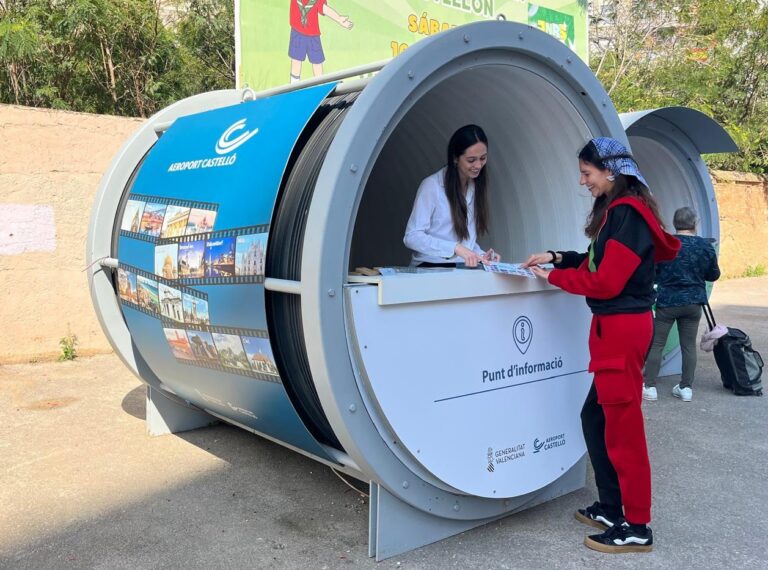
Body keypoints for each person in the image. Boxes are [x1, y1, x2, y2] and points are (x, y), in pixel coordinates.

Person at [521, 137, 680, 554]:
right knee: (595, 419)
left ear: (611, 170)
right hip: (616, 332)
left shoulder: (627, 216)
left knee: (623, 431)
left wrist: (551, 278)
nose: (582, 181)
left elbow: (606, 282)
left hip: (621, 332)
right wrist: (556, 257)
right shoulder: (620, 214)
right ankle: (612, 507)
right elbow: (596, 262)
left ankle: (637, 525)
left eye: (587, 173)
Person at [642, 206, 721, 402]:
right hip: (694, 303)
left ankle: (650, 387)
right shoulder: (704, 246)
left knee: (657, 344)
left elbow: (653, 273)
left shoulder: (665, 244)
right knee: (688, 345)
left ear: (675, 223)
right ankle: (686, 388)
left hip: (667, 302)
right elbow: (714, 274)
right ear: (694, 224)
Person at [403, 124, 500, 267]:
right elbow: (412, 237)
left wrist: (480, 255)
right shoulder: (432, 186)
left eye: (483, 158)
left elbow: (464, 243)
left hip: (459, 269)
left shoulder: (475, 186)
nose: (478, 165)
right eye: (471, 160)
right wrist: (454, 248)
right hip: (428, 267)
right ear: (455, 158)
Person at [288, 0, 353, 83]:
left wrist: (339, 18)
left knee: (317, 62)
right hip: (297, 32)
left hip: (313, 35)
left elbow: (323, 8)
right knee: (296, 60)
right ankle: (294, 84)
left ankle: (319, 84)